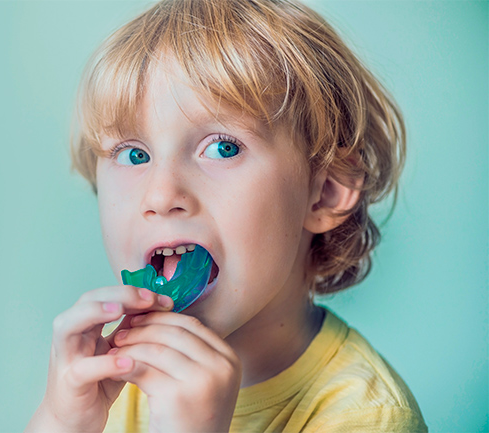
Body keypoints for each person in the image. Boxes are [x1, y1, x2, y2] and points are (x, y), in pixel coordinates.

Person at [25, 0, 427, 431]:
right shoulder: (113, 377)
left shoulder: (368, 417)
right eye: (134, 154)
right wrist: (62, 421)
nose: (161, 195)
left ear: (324, 193)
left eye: (222, 147)